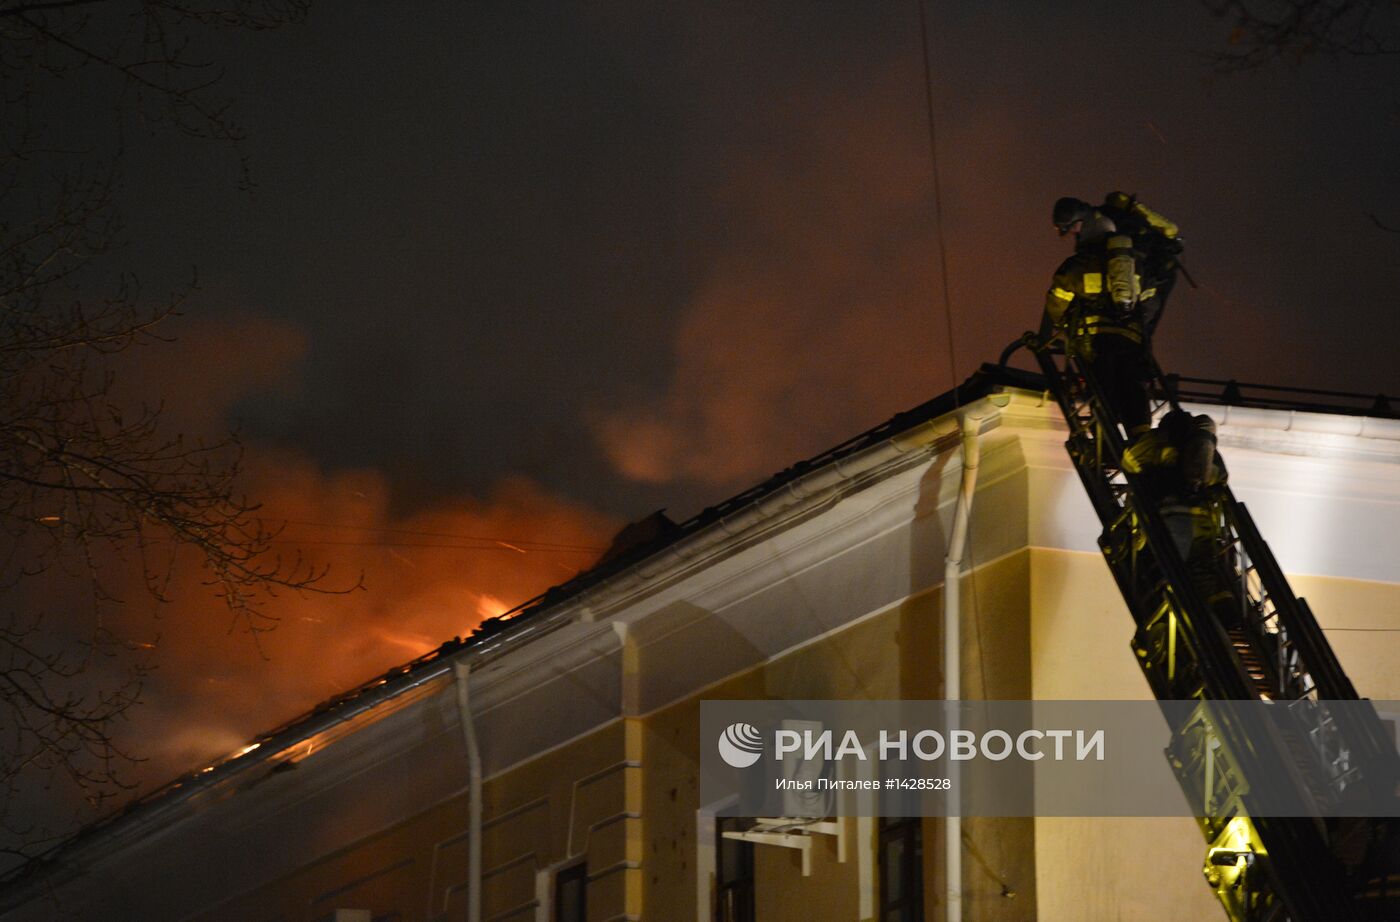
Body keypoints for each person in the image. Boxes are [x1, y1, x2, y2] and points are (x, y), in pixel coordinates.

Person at [1042, 200, 1160, 441]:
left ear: (1084, 227)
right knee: (1133, 393)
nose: (1073, 236)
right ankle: (1143, 447)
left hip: (1096, 343)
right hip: (1132, 342)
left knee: (1102, 393)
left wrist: (1062, 329)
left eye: (1073, 229)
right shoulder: (1137, 264)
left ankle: (1105, 447)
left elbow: (1056, 305)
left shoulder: (1076, 266)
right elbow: (1150, 305)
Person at [1122, 408, 1240, 629]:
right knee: (1201, 566)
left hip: (1171, 517)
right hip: (1203, 519)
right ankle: (1224, 613)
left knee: (1173, 567)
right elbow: (1220, 477)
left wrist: (1162, 465)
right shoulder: (1206, 453)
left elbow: (1130, 460)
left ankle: (1178, 613)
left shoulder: (1157, 442)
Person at [1060, 193, 1185, 334]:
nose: (1072, 233)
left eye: (1071, 228)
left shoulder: (1104, 225)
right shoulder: (1104, 217)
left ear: (1078, 218)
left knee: (1145, 320)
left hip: (1155, 269)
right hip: (1141, 267)